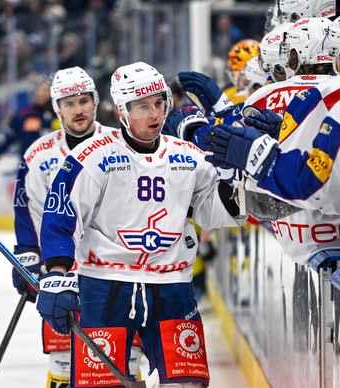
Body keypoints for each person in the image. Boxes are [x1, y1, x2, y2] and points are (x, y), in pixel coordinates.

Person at [35, 61, 245, 387]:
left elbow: (212, 209)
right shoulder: (92, 156)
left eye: (159, 103)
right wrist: (57, 275)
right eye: (142, 106)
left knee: (186, 383)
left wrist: (236, 182)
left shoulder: (188, 156)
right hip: (105, 285)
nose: (154, 114)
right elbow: (62, 214)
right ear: (121, 110)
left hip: (172, 286)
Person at [11, 66, 113, 388]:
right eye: (68, 103)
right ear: (56, 109)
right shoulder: (38, 154)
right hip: (60, 270)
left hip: (113, 269)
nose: (78, 109)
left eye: (84, 100)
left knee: (119, 357)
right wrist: (27, 253)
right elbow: (24, 208)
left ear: (96, 102)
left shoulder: (118, 143)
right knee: (63, 358)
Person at [0, 74, 57, 181]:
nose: (41, 93)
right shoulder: (25, 114)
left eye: (46, 90)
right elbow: (5, 140)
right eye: (39, 89)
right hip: (30, 174)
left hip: (59, 173)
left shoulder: (64, 115)